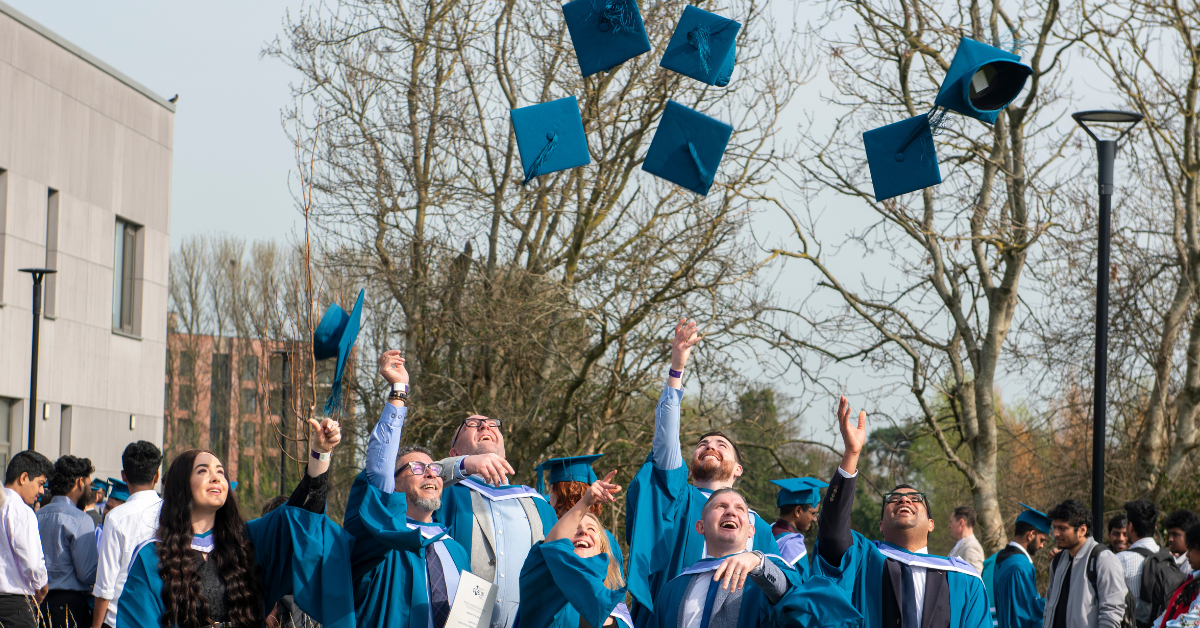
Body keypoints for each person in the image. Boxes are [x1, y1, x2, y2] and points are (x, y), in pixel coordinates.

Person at [374, 348, 555, 628]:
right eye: (472, 424)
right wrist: (467, 464)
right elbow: (410, 476)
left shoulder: (536, 504)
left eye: (492, 424)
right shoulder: (444, 493)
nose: (485, 424)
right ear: (455, 451)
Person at [116, 418, 354, 628]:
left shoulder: (248, 541)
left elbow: (299, 517)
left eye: (221, 471)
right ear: (181, 486)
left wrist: (320, 453)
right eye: (202, 471)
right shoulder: (153, 559)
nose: (216, 476)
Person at [625, 319, 780, 626]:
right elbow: (666, 439)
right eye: (702, 444)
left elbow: (781, 585)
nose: (710, 446)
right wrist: (676, 368)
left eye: (721, 444)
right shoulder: (677, 498)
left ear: (737, 469)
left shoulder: (758, 528)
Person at [813, 395, 990, 628]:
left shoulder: (963, 579)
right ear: (880, 526)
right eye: (893, 499)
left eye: (916, 499)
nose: (904, 499)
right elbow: (833, 532)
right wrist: (852, 454)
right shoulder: (862, 561)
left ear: (931, 524)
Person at [350, 352, 470, 628]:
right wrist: (399, 391)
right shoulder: (379, 539)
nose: (430, 472)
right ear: (393, 484)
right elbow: (378, 469)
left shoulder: (456, 551)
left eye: (434, 469)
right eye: (415, 468)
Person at [649, 487, 862, 628]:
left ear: (751, 530)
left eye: (740, 508)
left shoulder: (764, 575)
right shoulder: (672, 590)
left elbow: (793, 597)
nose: (730, 512)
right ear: (700, 526)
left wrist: (758, 562)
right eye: (720, 506)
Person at [519, 471, 628, 628]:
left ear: (603, 548)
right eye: (575, 528)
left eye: (591, 529)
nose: (583, 531)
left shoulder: (615, 601)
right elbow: (553, 548)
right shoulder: (545, 583)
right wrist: (585, 502)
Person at [91, 441, 162, 628]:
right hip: (160, 618)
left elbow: (105, 585)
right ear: (156, 475)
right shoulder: (172, 514)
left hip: (120, 619)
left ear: (124, 476)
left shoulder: (116, 518)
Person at [1042, 499, 1127, 628]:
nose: (1055, 533)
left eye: (1062, 528)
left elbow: (1112, 612)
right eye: (1054, 527)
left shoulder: (1103, 559)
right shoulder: (1057, 561)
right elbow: (1049, 607)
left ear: (1082, 530)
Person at [536, 454, 626, 575]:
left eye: (552, 489)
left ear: (560, 493)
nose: (549, 495)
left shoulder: (550, 533)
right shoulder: (605, 538)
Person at [36, 455, 99, 628]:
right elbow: (87, 574)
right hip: (69, 608)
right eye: (88, 484)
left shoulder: (36, 516)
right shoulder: (81, 519)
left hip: (38, 603)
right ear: (79, 482)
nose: (89, 489)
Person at [0, 451, 54, 628]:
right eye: (40, 483)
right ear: (24, 477)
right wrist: (42, 584)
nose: (41, 491)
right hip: (13, 605)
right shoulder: (20, 510)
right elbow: (31, 562)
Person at [994, 504, 1051, 628]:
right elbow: (1027, 614)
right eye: (1042, 540)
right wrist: (1053, 598)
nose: (1042, 546)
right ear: (1031, 535)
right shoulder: (1020, 567)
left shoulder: (996, 559)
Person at [769, 477, 826, 572]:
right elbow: (800, 585)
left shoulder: (766, 532)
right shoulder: (795, 547)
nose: (814, 519)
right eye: (813, 513)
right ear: (798, 511)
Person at [1151, 523, 1200, 628]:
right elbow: (1167, 614)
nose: (1187, 554)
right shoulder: (1192, 579)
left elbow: (1191, 621)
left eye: (1191, 549)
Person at [949, 506, 986, 574]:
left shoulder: (971, 547)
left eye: (951, 522)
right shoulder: (962, 544)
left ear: (961, 522)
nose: (949, 526)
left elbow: (975, 577)